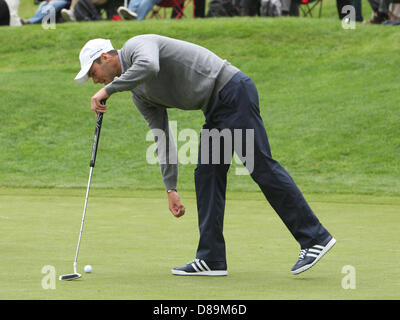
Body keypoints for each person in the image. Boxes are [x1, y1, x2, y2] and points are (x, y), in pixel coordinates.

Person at [74, 35, 336, 276]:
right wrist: (171, 187)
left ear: (105, 57)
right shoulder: (139, 95)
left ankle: (314, 238)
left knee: (260, 166)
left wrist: (108, 90)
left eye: (93, 72)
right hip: (216, 108)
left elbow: (150, 66)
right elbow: (162, 135)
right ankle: (212, 258)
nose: (95, 81)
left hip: (233, 91)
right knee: (207, 174)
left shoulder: (137, 46)